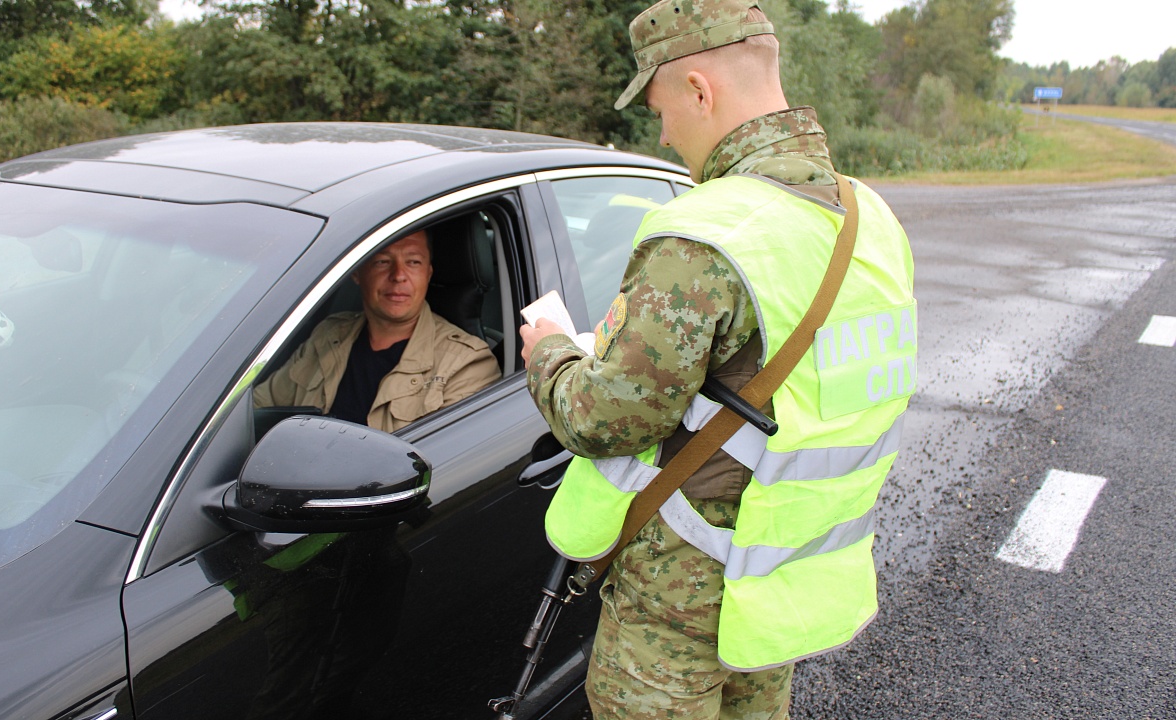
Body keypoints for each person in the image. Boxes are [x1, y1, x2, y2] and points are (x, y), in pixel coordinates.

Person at [519, 1, 917, 717]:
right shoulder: (872, 221)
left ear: (701, 91)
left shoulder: (706, 233)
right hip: (781, 591)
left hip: (680, 603)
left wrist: (548, 345)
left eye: (662, 108)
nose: (664, 132)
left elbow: (603, 419)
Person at [255, 229, 501, 432]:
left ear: (428, 273)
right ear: (357, 273)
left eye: (413, 262)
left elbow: (451, 467)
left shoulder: (467, 363)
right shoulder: (328, 335)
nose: (398, 276)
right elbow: (257, 410)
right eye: (383, 261)